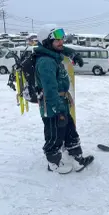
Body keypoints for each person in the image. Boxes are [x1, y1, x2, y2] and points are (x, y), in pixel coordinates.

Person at [35, 24, 94, 174]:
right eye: (57, 40)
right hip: (52, 104)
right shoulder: (46, 62)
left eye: (61, 39)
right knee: (54, 134)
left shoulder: (53, 54)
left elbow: (61, 49)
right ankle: (53, 162)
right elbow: (50, 90)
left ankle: (77, 157)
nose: (61, 42)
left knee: (69, 130)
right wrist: (58, 110)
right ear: (48, 43)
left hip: (61, 102)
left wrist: (74, 54)